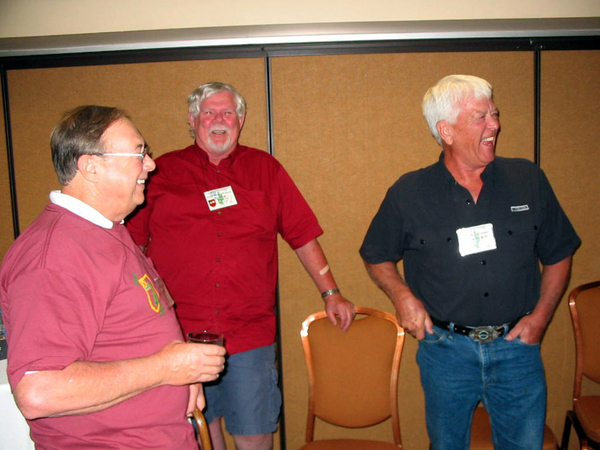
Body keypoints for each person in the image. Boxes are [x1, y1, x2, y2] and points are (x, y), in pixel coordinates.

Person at [126, 82, 355, 450]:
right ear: (192, 120)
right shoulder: (160, 173)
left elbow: (302, 235)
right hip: (178, 336)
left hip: (247, 336)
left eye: (227, 112)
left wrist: (332, 292)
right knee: (199, 433)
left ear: (241, 119)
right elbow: (131, 248)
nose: (219, 120)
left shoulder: (266, 170)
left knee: (254, 431)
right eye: (209, 113)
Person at [359, 75, 580, 449]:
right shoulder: (409, 192)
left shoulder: (527, 178)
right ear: (446, 130)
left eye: (494, 114)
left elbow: (559, 252)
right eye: (481, 116)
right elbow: (376, 254)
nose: (494, 124)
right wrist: (401, 295)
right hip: (445, 351)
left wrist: (540, 318)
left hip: (517, 349)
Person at [0, 105, 226, 449]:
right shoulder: (55, 255)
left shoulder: (107, 230)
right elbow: (39, 390)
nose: (151, 163)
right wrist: (165, 369)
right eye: (139, 153)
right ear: (91, 166)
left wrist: (182, 374)